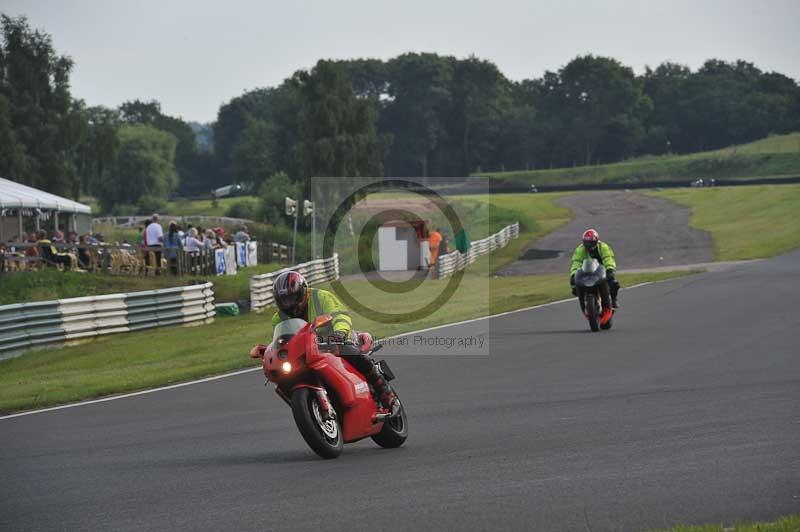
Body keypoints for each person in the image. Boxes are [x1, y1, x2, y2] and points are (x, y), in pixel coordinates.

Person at [263, 271, 398, 413]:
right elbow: (282, 340)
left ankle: (386, 394)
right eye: (284, 300)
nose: (288, 303)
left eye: (292, 298)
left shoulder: (320, 297)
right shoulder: (278, 318)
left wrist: (339, 333)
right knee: (284, 379)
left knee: (352, 353)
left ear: (302, 292)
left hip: (334, 339)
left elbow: (340, 315)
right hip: (307, 350)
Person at [569, 228, 620, 321]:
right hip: (587, 272)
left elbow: (608, 258)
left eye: (591, 243)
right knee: (575, 286)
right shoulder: (580, 249)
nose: (588, 245)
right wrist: (573, 274)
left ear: (596, 241)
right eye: (586, 243)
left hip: (601, 271)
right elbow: (576, 262)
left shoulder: (603, 247)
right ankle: (584, 304)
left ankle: (613, 300)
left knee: (613, 283)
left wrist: (610, 270)